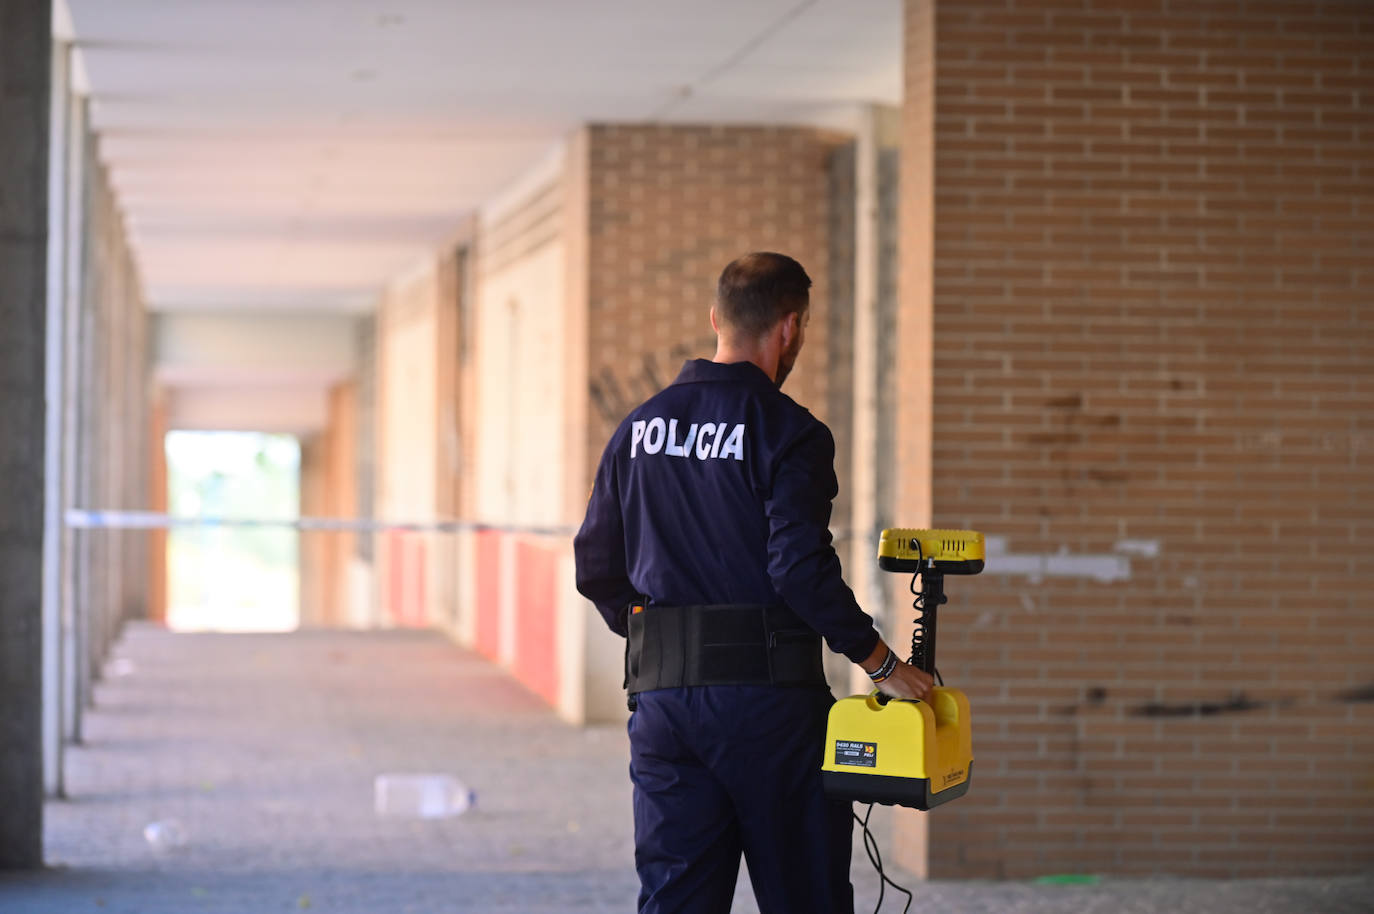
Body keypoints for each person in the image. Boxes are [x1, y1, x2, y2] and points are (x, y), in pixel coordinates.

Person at [573, 252, 932, 914]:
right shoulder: (789, 431)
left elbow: (595, 563)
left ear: (715, 320)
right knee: (805, 898)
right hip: (772, 712)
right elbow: (797, 567)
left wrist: (663, 637)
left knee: (676, 901)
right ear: (791, 328)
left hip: (666, 709)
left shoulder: (638, 428)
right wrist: (879, 662)